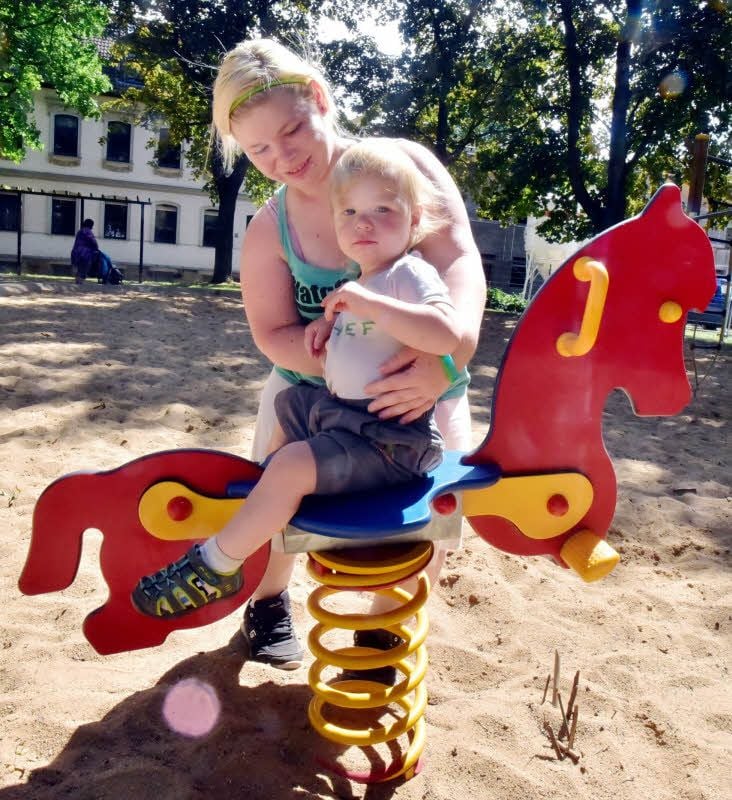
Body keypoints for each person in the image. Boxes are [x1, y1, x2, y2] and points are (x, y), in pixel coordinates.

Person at [178, 38, 485, 673]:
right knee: (277, 490)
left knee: (424, 514)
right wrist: (351, 363)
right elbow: (272, 332)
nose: (282, 158)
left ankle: (381, 632)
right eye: (259, 150)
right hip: (314, 387)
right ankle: (268, 602)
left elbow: (460, 269)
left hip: (423, 384)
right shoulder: (271, 227)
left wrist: (445, 365)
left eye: (292, 131)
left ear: (319, 100)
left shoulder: (400, 171)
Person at [131, 140, 462, 636]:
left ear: (414, 222)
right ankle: (281, 499)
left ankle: (215, 564)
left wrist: (371, 309)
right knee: (289, 405)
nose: (363, 223)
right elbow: (359, 343)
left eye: (382, 210)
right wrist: (327, 336)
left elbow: (445, 334)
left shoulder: (406, 276)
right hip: (345, 414)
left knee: (288, 464)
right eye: (349, 212)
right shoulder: (362, 280)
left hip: (389, 440)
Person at [70, 219, 99, 284]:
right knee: (84, 267)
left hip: (75, 251)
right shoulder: (88, 231)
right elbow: (93, 241)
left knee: (79, 267)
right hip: (84, 253)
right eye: (92, 225)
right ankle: (80, 282)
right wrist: (96, 249)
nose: (92, 227)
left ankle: (77, 281)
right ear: (90, 225)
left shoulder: (80, 231)